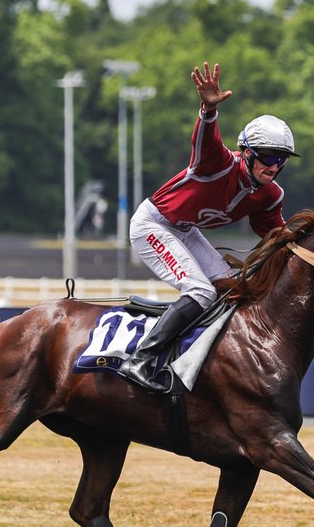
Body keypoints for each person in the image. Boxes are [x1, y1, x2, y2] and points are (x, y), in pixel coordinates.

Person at [118, 61, 298, 392]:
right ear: (247, 153)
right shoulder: (215, 163)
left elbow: (279, 238)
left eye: (282, 159)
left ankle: (198, 360)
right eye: (269, 157)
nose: (275, 166)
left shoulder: (270, 195)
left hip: (185, 231)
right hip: (152, 224)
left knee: (230, 290)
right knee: (201, 291)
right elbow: (206, 137)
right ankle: (140, 360)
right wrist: (208, 110)